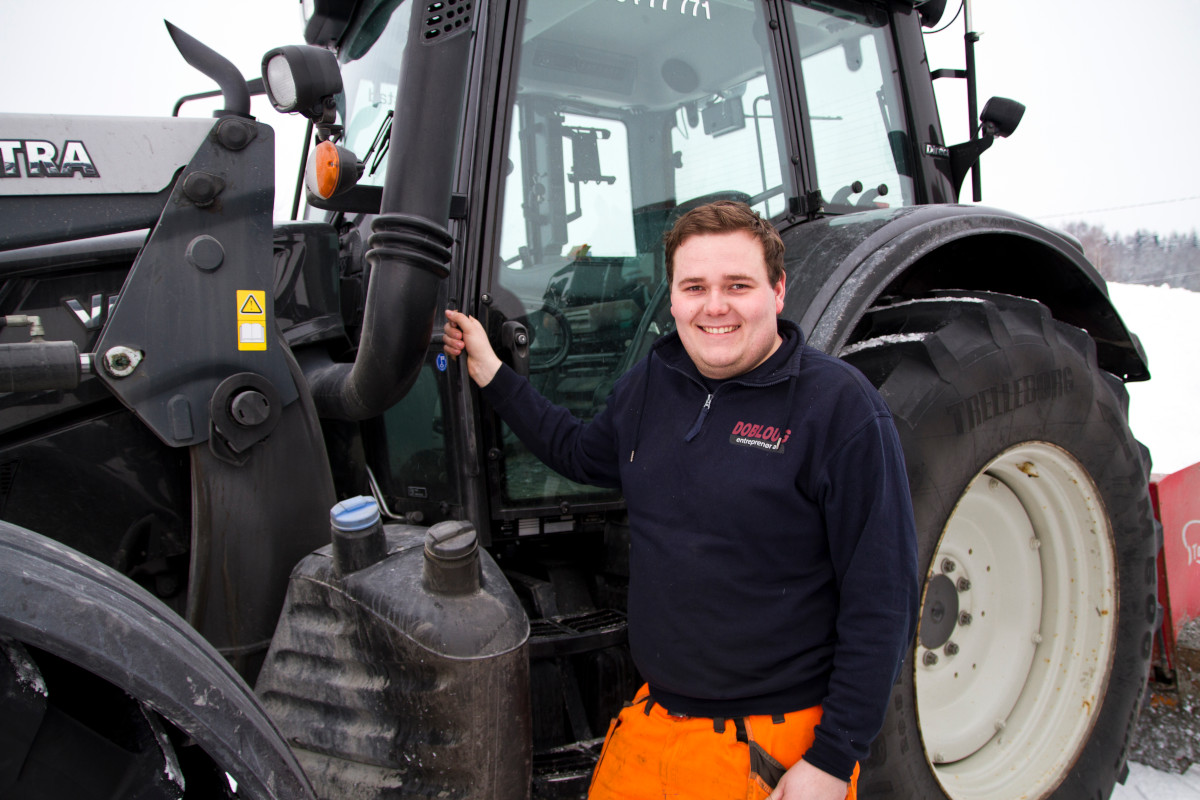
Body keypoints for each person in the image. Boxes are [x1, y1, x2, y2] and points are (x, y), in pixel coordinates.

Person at [444, 201, 919, 800]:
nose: (713, 306)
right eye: (694, 287)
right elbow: (578, 452)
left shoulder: (839, 409)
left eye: (737, 285)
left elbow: (884, 598)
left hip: (769, 745)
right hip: (655, 723)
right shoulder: (651, 385)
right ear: (670, 299)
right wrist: (493, 373)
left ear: (777, 291)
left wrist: (831, 761)